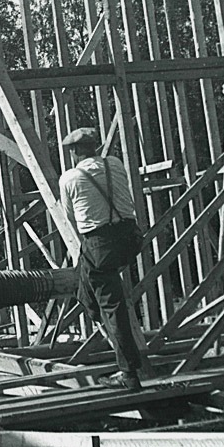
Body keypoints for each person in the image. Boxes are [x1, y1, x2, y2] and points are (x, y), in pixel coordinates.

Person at [59, 127, 145, 390]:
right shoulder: (115, 163)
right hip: (130, 237)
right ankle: (92, 305)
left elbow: (72, 219)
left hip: (101, 245)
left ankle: (129, 374)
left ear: (73, 152)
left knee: (112, 307)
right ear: (95, 146)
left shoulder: (69, 178)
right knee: (85, 279)